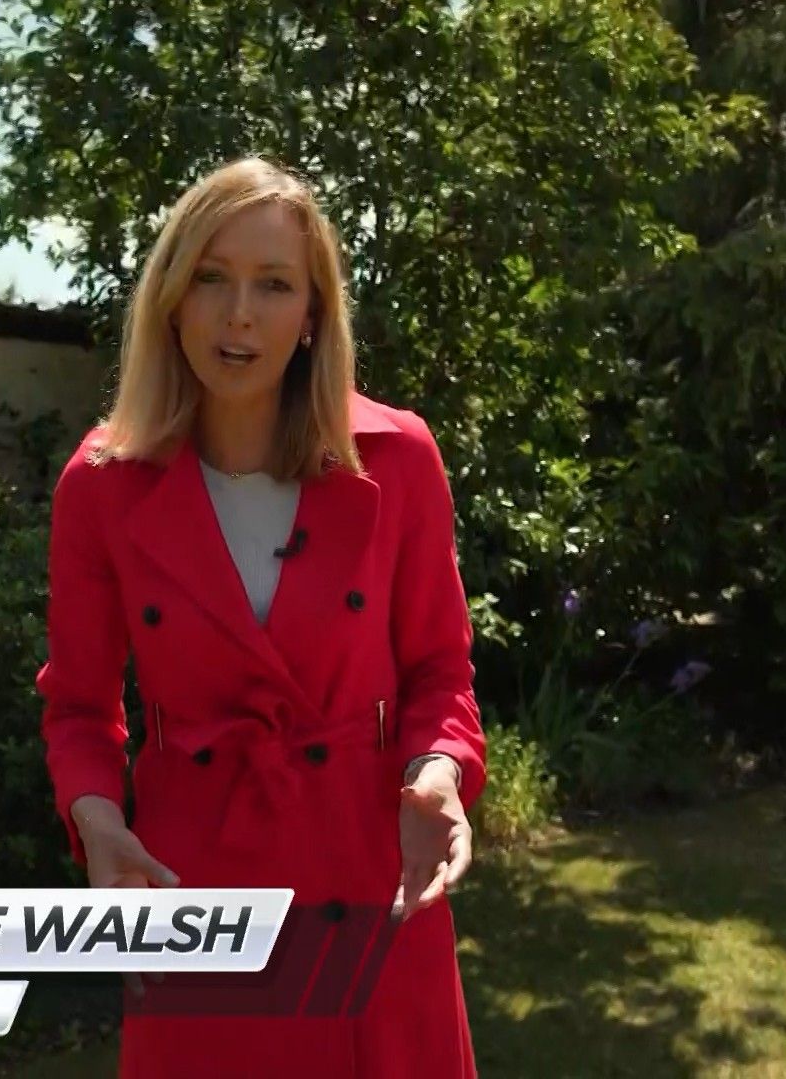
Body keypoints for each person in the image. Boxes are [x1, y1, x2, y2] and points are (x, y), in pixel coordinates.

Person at [37, 156, 486, 1078]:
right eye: (212, 277)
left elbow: (440, 673)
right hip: (192, 887)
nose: (238, 313)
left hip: (369, 874)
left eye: (274, 284)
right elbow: (79, 707)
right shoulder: (101, 484)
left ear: (313, 314)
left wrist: (438, 773)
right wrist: (100, 821)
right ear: (172, 299)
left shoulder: (396, 458)